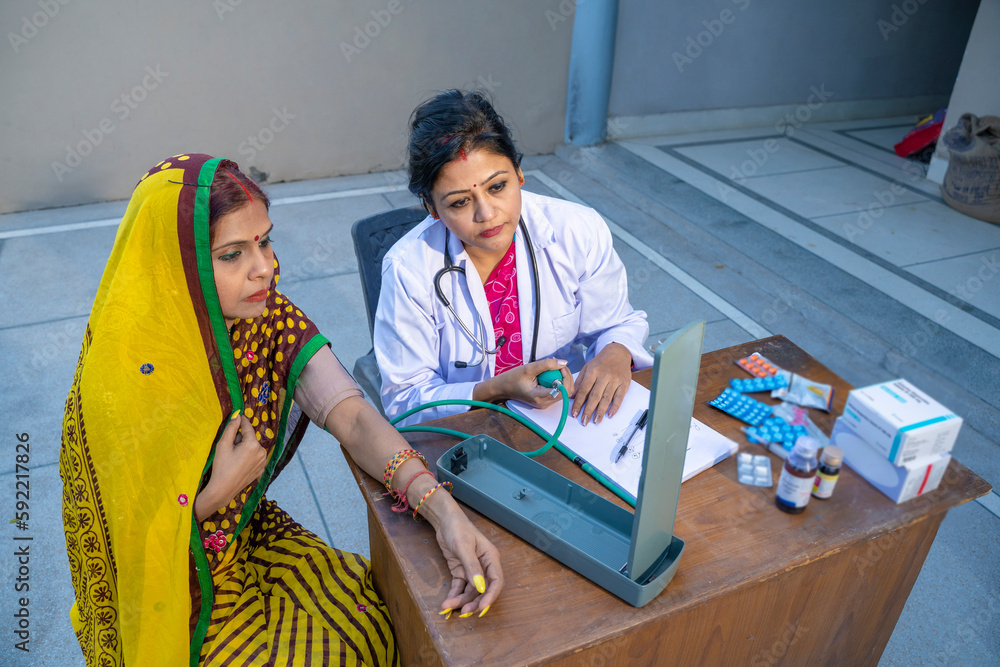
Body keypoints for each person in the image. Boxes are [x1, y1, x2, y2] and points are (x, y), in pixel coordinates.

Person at [59, 154, 502, 667]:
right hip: (170, 587)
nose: (264, 267)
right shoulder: (128, 372)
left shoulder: (266, 315)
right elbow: (120, 549)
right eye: (232, 254)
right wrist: (215, 495)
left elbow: (353, 417)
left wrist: (444, 512)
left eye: (265, 241)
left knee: (377, 617)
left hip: (246, 538)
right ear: (177, 263)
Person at [375, 90, 653, 427]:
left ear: (519, 173)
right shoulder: (409, 269)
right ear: (432, 207)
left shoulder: (575, 229)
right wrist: (494, 389)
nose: (487, 213)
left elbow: (616, 324)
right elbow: (404, 401)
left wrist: (616, 352)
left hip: (563, 419)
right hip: (467, 431)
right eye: (460, 202)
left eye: (497, 186)